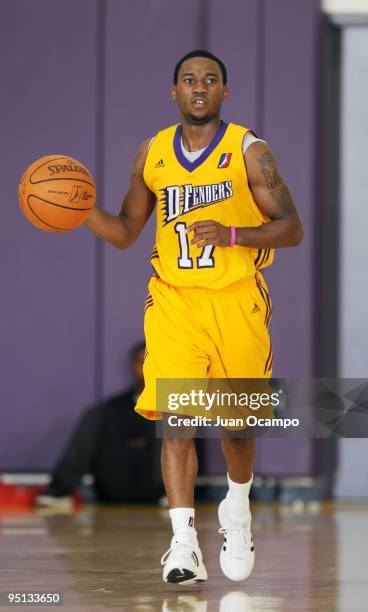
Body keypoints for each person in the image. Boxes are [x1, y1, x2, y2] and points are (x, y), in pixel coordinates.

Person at [84, 49, 303, 584]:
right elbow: (125, 232)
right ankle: (183, 543)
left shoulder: (250, 151)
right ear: (174, 91)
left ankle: (237, 510)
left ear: (225, 91)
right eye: (189, 79)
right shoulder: (152, 153)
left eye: (210, 79)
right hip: (175, 299)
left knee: (237, 428)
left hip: (236, 298)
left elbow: (292, 227)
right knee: (176, 422)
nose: (199, 87)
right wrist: (80, 211)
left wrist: (234, 235)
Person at [35, 342, 162, 508]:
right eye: (142, 362)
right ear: (133, 366)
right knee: (97, 416)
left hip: (158, 490)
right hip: (114, 489)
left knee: (174, 418)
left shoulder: (174, 406)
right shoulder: (109, 409)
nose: (146, 369)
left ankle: (171, 495)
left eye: (152, 363)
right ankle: (60, 489)